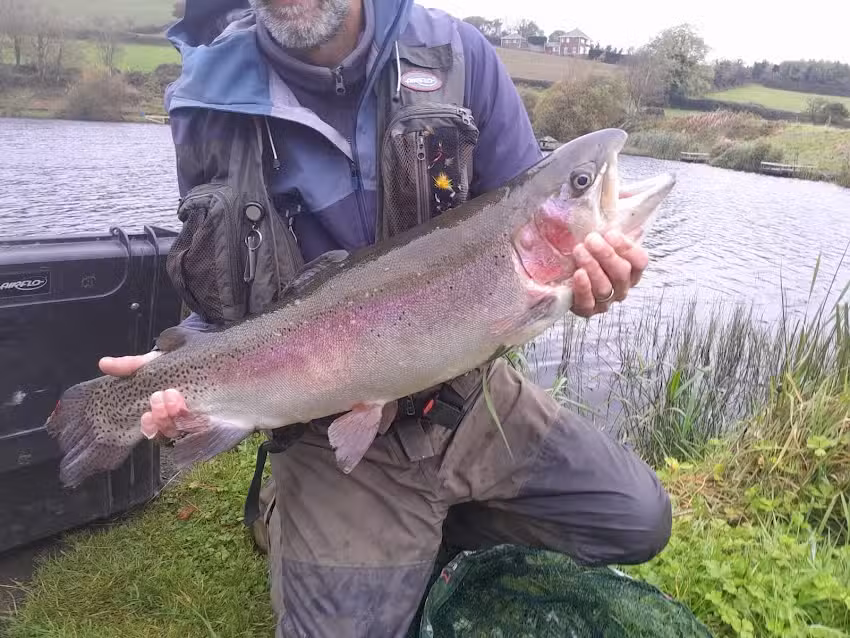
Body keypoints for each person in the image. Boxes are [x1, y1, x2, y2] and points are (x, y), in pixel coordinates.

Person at [99, 0, 673, 636]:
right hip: (327, 425)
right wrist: (178, 369)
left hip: (468, 398)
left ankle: (424, 520)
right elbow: (218, 286)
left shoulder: (460, 57)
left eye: (581, 184)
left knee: (636, 517)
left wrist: (590, 286)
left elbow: (522, 200)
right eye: (583, 185)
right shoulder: (207, 105)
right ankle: (290, 504)